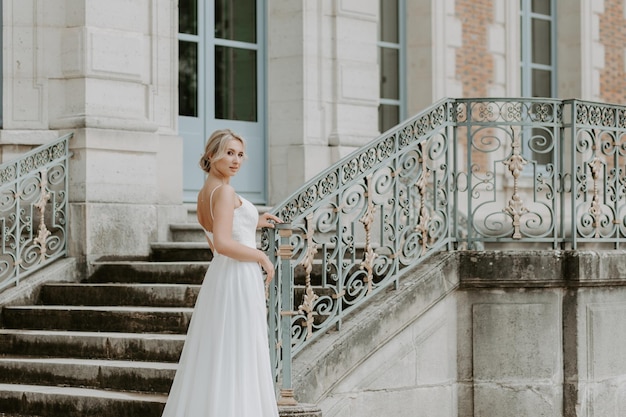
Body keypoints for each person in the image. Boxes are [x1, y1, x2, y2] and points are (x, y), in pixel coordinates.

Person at [161, 129, 282, 417]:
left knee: (221, 352)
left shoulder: (205, 193)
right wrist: (261, 256)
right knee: (238, 354)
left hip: (221, 277)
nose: (236, 160)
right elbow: (224, 243)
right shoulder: (225, 191)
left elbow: (220, 233)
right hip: (238, 277)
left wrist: (254, 220)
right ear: (211, 155)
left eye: (240, 154)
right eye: (229, 153)